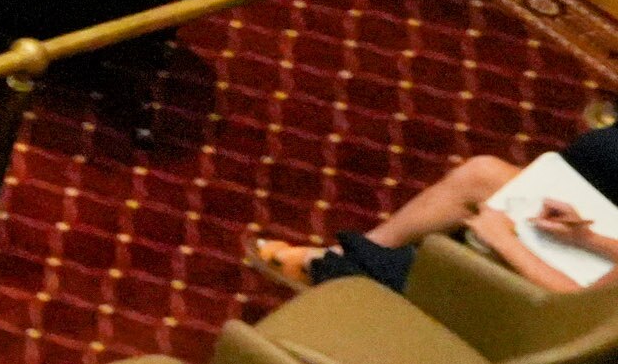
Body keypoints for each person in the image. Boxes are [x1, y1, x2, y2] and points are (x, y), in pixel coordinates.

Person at [252, 123, 618, 296]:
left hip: (582, 302)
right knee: (483, 174)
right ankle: (352, 254)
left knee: (484, 234)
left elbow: (588, 307)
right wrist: (587, 238)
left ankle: (344, 273)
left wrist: (505, 241)